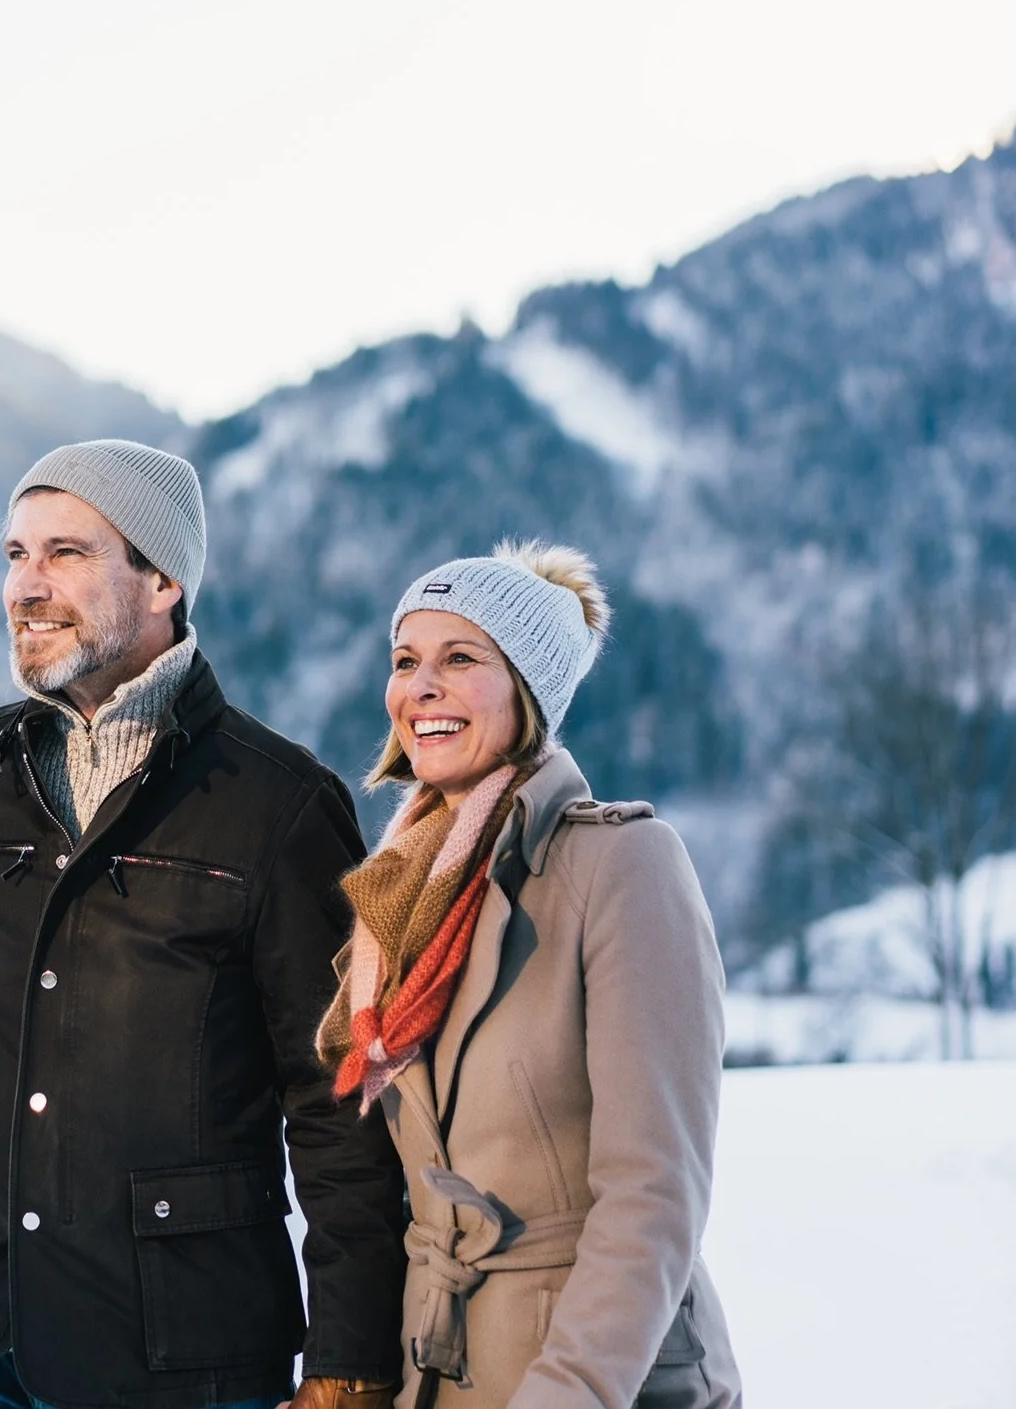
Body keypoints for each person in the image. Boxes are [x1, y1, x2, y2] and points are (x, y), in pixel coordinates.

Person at [0, 440, 406, 1409]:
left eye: (64, 553)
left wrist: (349, 1354)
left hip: (174, 1345)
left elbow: (335, 1100)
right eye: (14, 554)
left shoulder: (276, 804)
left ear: (161, 579)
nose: (25, 586)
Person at [317, 542, 743, 1409]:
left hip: (596, 1373)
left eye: (461, 658)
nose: (419, 687)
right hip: (438, 1367)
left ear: (529, 692)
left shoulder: (621, 867)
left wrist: (570, 1390)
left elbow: (654, 1198)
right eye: (405, 661)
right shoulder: (402, 896)